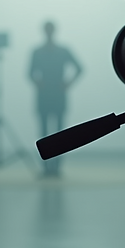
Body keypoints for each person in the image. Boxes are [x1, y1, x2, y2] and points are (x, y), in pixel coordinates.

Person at [29, 21, 82, 178]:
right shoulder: (37, 52)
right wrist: (37, 82)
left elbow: (79, 68)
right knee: (44, 133)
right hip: (45, 95)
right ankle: (46, 167)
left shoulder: (61, 51)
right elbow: (29, 73)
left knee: (60, 133)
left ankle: (56, 167)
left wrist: (68, 83)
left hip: (57, 95)